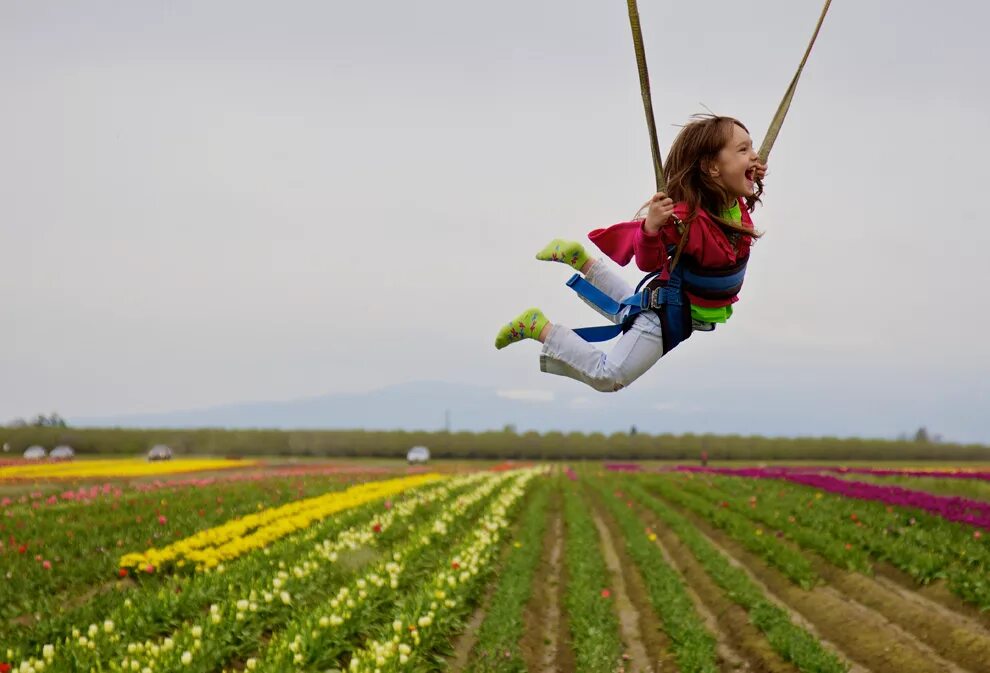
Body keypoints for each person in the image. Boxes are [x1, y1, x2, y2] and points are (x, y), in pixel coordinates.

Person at [494, 115, 767, 392]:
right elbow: (647, 262)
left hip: (676, 312)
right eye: (743, 150)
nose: (755, 157)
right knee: (609, 376)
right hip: (670, 312)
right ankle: (538, 328)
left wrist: (748, 174)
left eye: (752, 148)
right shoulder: (689, 218)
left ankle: (583, 262)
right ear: (712, 168)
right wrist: (651, 228)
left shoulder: (730, 205)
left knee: (628, 307)